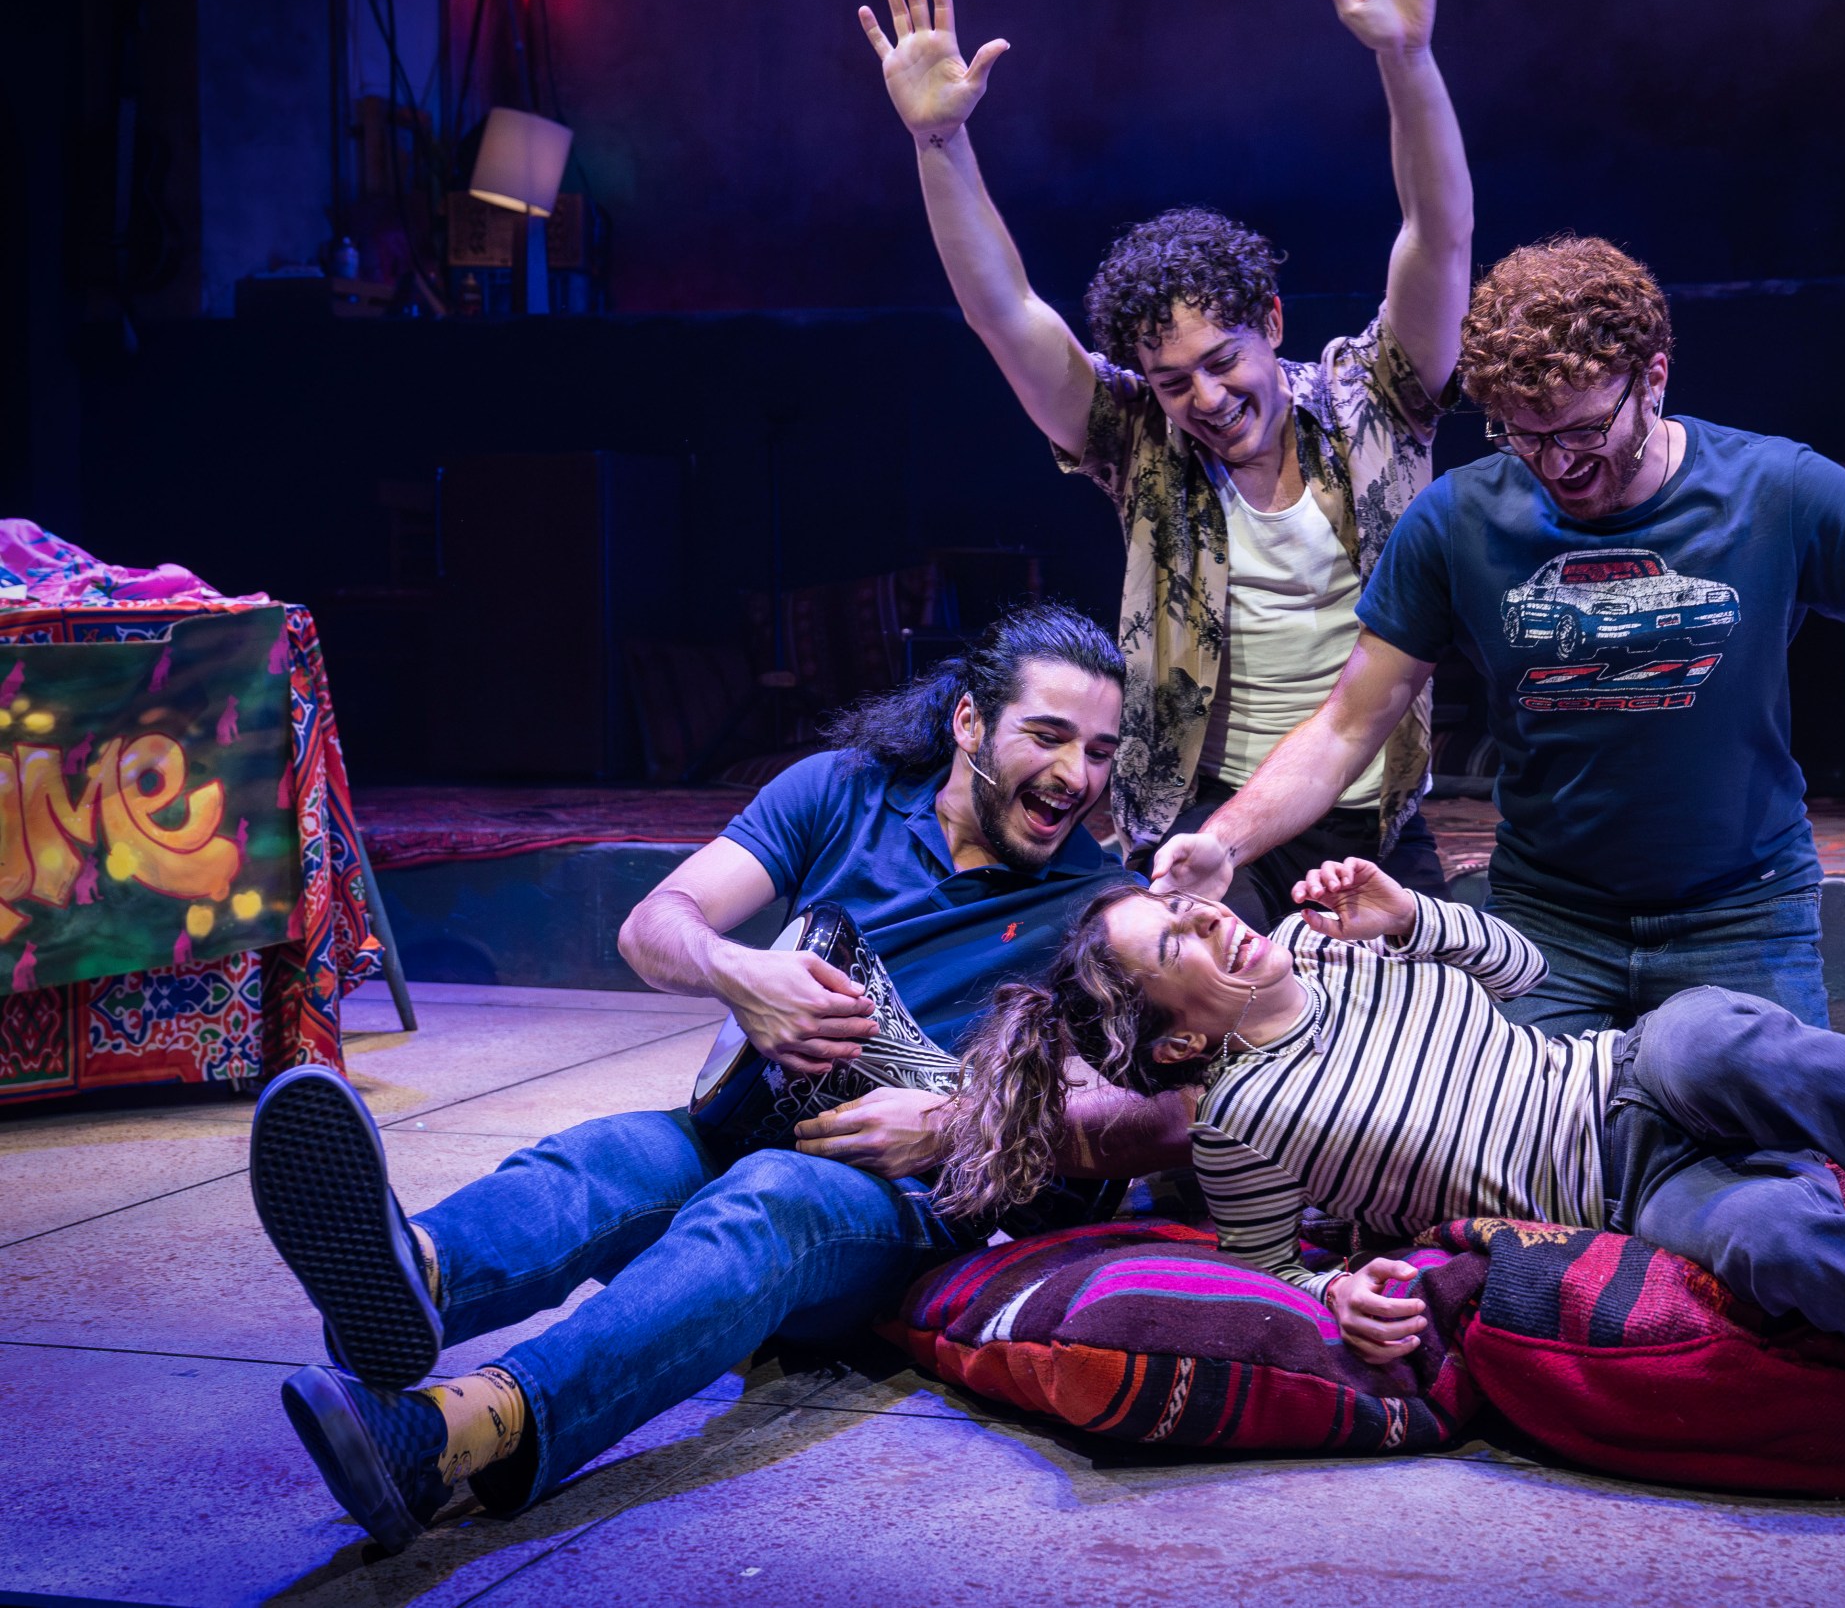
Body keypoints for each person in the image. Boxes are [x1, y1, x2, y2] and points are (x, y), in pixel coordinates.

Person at [936, 858, 1845, 1517]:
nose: (1209, 915)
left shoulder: (1330, 937)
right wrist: (1338, 1288)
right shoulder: (1238, 1115)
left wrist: (1417, 916)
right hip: (1629, 1188)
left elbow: (1526, 980)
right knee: (1781, 1239)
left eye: (1186, 900)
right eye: (1175, 937)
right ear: (1176, 1030)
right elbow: (1273, 1266)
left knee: (1702, 1024)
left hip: (1628, 1078)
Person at [250, 603, 1187, 1554]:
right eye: (1049, 736)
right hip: (740, 1119)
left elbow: (1173, 1115)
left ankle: (453, 1434)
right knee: (614, 1156)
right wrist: (740, 972)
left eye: (1101, 752)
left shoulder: (1096, 906)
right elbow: (657, 923)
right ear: (969, 721)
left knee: (771, 1196)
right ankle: (410, 1279)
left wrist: (960, 1121)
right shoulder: (843, 791)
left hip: (896, 1203)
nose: (1077, 777)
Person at [1153, 236, 1845, 1031]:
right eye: (1524, 435)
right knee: (1516, 1180)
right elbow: (1349, 722)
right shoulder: (1460, 517)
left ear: (1656, 375)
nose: (1558, 462)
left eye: (1584, 429)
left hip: (1740, 916)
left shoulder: (1781, 491)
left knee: (1768, 1173)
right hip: (1549, 923)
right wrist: (1230, 837)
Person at [856, 0, 1476, 931]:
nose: (1205, 394)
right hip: (1194, 814)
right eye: (1172, 375)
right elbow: (1004, 310)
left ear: (1271, 323)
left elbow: (1438, 234)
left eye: (1222, 359)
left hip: (1372, 812)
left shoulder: (1377, 395)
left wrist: (1406, 58)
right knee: (1183, 1051)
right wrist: (938, 143)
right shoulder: (1136, 434)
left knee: (1410, 1056)